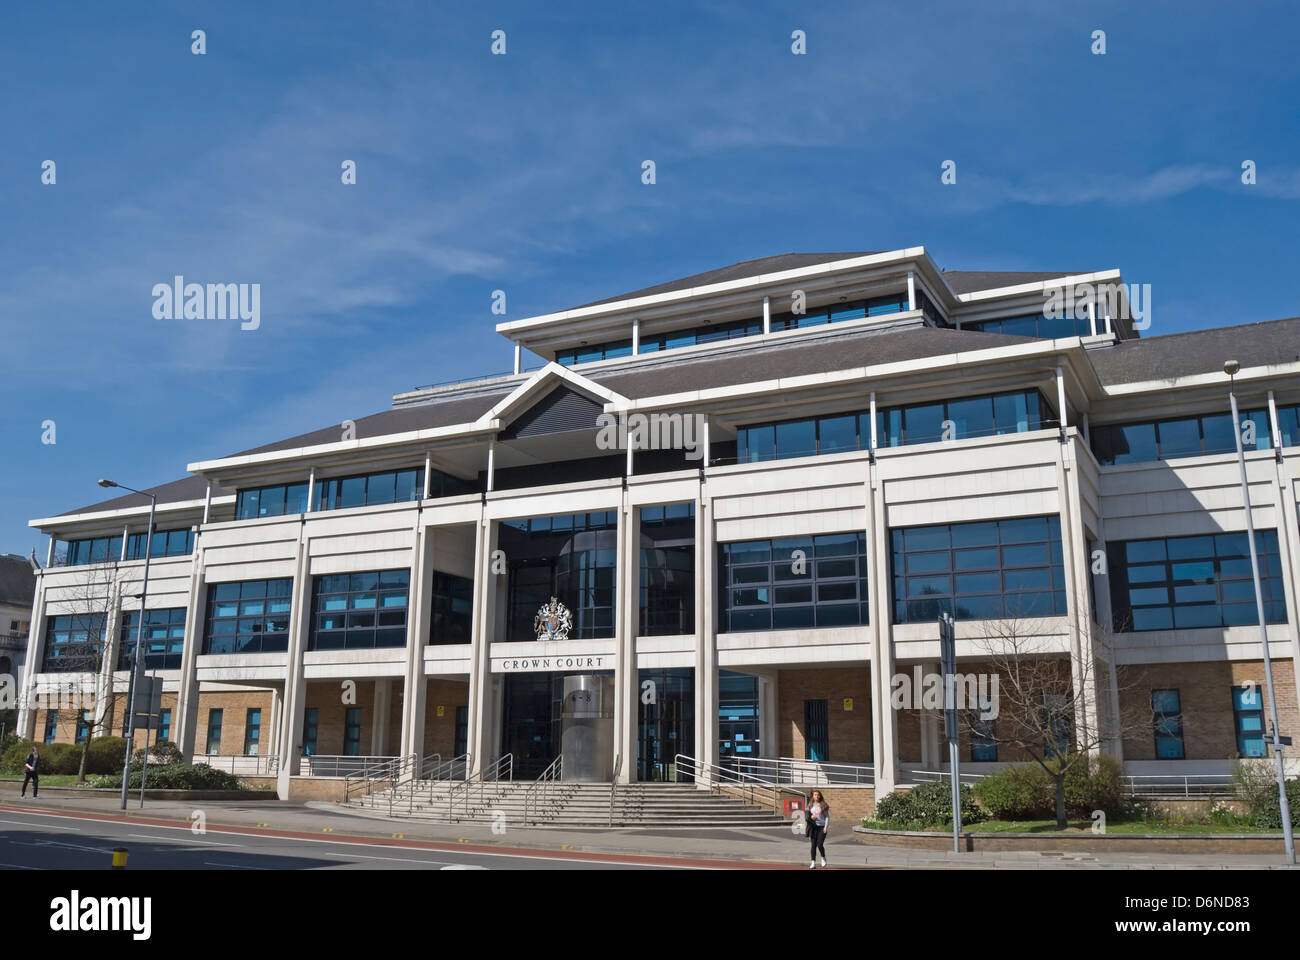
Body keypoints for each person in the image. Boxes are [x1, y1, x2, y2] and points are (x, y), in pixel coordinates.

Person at [807, 789, 829, 868]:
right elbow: (807, 816)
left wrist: (826, 827)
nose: (817, 796)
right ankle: (813, 862)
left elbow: (827, 817)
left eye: (818, 795)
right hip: (813, 827)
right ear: (813, 796)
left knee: (820, 844)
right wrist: (811, 817)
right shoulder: (810, 805)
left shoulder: (823, 805)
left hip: (822, 827)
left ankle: (823, 857)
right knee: (813, 845)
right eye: (815, 795)